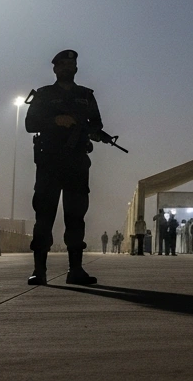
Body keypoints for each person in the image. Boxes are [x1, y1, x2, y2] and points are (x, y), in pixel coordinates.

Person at [23, 47, 115, 286]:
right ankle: (39, 270)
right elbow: (30, 124)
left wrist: (91, 131)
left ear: (76, 68)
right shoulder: (43, 95)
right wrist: (55, 120)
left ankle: (75, 270)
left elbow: (96, 124)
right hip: (50, 162)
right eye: (63, 65)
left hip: (76, 164)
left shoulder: (86, 95)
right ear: (55, 69)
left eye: (71, 65)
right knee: (44, 216)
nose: (68, 68)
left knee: (76, 217)